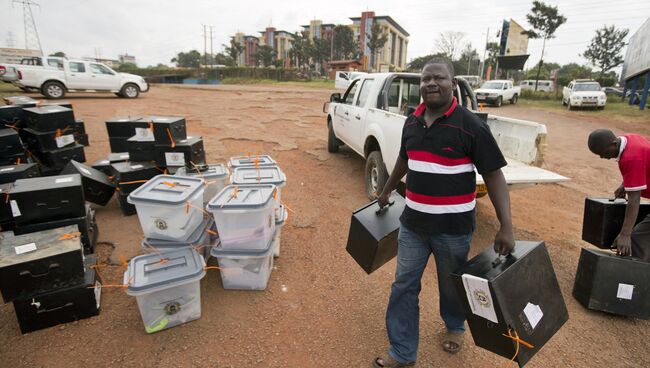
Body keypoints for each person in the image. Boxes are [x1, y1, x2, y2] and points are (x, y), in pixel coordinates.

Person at [372, 58, 515, 368]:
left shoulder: (471, 125)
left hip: (453, 228)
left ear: (453, 83)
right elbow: (403, 160)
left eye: (439, 78)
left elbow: (493, 175)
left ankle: (454, 325)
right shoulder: (411, 121)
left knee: (451, 284)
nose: (431, 83)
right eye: (425, 79)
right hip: (413, 225)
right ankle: (402, 352)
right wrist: (386, 190)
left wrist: (506, 225)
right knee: (403, 285)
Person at [587, 129, 650, 261]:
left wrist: (625, 234)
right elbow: (644, 160)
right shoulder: (629, 138)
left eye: (604, 153)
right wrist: (625, 183)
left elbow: (634, 199)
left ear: (614, 143)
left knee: (637, 238)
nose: (603, 157)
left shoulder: (631, 158)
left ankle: (637, 278)